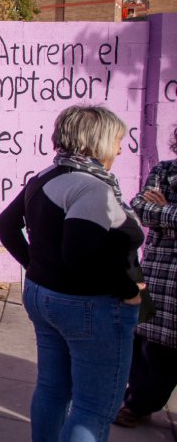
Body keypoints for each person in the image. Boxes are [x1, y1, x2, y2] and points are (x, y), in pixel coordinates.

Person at [0, 105, 145, 441]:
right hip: (89, 306)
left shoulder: (48, 175)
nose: (121, 148)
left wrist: (36, 267)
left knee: (52, 388)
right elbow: (79, 254)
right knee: (93, 406)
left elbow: (6, 224)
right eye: (118, 139)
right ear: (99, 141)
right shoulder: (91, 187)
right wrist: (127, 290)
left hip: (45, 294)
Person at [116, 125, 177, 428]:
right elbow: (141, 207)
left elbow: (155, 212)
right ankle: (137, 404)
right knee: (148, 347)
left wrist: (166, 211)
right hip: (160, 275)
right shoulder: (165, 171)